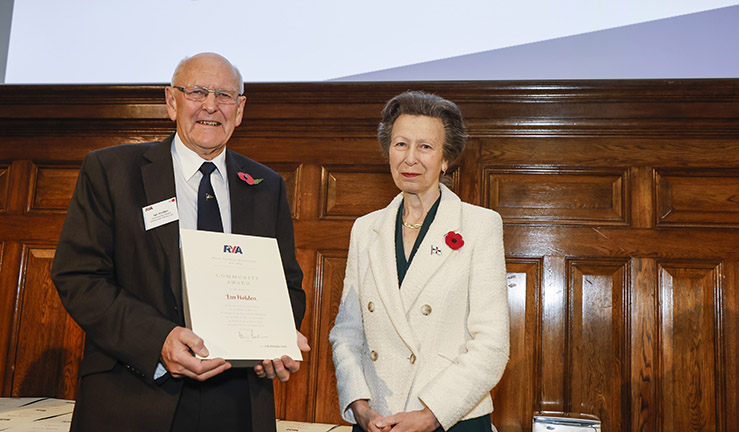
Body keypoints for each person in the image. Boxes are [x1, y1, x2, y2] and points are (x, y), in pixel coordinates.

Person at [51, 52, 308, 432]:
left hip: (237, 399)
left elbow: (286, 285)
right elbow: (79, 277)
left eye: (224, 95)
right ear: (172, 101)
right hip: (135, 391)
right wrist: (159, 339)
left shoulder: (266, 185)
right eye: (197, 92)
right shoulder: (111, 171)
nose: (210, 106)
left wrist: (277, 339)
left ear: (239, 110)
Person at [329, 91, 509, 432]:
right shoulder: (365, 229)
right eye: (400, 145)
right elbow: (347, 333)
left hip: (450, 418)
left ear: (446, 159)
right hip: (378, 421)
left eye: (425, 147)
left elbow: (492, 344)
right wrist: (359, 406)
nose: (410, 158)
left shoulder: (480, 225)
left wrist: (432, 415)